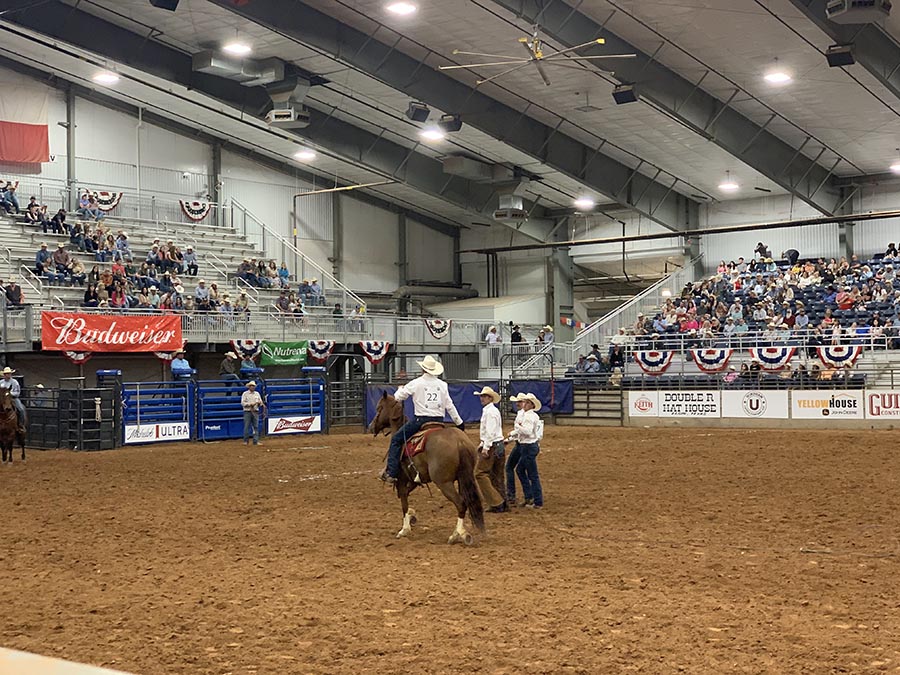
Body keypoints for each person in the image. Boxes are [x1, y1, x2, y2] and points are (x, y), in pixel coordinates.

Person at [379, 355, 464, 484]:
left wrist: (400, 390)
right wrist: (459, 422)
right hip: (439, 421)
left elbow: (397, 398)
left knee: (396, 440)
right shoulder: (443, 385)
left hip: (421, 421)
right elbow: (449, 405)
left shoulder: (416, 383)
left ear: (423, 369)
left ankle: (392, 472)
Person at [473, 386, 507, 513]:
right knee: (496, 475)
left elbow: (490, 431)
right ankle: (502, 503)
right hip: (497, 444)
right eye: (482, 396)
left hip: (492, 445)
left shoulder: (490, 412)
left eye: (484, 396)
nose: (482, 398)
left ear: (490, 398)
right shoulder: (492, 411)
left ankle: (497, 502)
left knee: (480, 473)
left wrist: (486, 446)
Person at [0, 367, 26, 434]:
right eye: (6, 374)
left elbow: (17, 392)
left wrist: (9, 394)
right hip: (2, 400)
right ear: (4, 375)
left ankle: (21, 425)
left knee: (21, 409)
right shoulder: (1, 382)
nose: (8, 375)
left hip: (13, 398)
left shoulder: (15, 382)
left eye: (9, 374)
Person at [241, 380, 266, 446]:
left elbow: (260, 401)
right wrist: (250, 404)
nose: (252, 387)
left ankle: (256, 441)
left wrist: (261, 404)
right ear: (249, 387)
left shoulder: (257, 394)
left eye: (253, 386)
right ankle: (246, 441)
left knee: (256, 426)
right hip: (247, 411)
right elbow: (243, 403)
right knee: (247, 426)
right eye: (251, 386)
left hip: (255, 411)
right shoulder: (245, 394)